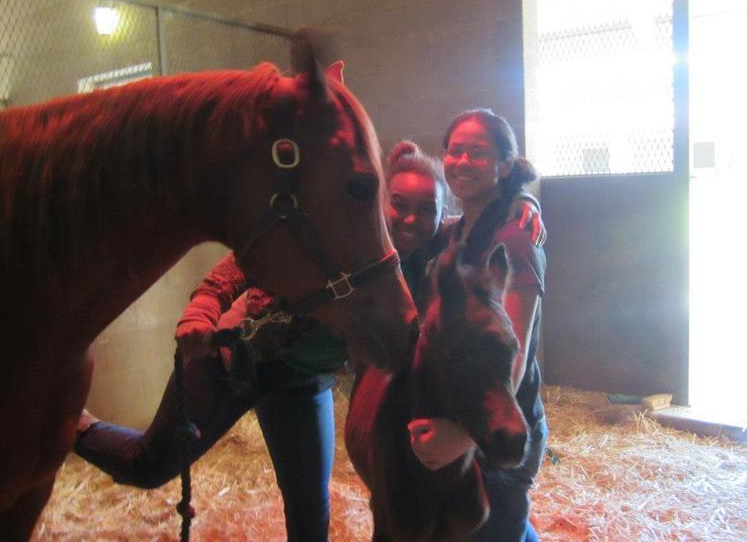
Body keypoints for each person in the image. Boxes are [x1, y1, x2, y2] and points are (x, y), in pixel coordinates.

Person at [74, 138, 544, 542]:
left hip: (304, 384)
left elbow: (481, 231)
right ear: (379, 200)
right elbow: (242, 263)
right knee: (148, 465)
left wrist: (522, 201)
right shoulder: (337, 234)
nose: (411, 218)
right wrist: (202, 308)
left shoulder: (429, 253)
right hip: (237, 361)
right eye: (399, 203)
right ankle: (73, 425)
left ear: (443, 215)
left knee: (309, 506)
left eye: (427, 210)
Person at [407, 108, 547, 542]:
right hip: (470, 415)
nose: (462, 162)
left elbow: (514, 351)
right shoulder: (453, 233)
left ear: (504, 166)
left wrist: (465, 436)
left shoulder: (515, 239)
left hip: (499, 427)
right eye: (455, 151)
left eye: (478, 154)